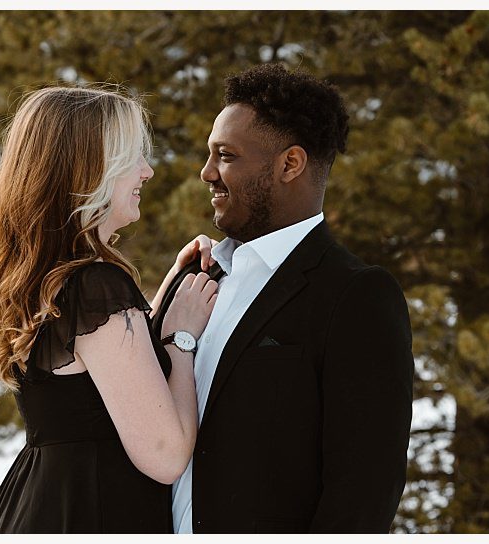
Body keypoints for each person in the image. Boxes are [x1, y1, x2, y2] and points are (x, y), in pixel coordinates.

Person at [150, 64, 414, 533]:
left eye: (225, 155)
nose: (206, 172)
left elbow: (364, 490)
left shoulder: (356, 294)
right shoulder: (193, 274)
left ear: (289, 164)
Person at [0, 86, 218, 533]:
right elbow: (165, 456)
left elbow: (93, 384)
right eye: (131, 159)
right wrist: (180, 341)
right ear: (90, 170)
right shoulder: (94, 287)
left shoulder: (46, 277)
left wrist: (164, 296)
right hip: (89, 514)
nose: (146, 172)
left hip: (41, 505)